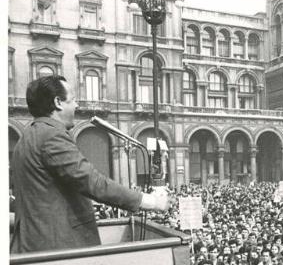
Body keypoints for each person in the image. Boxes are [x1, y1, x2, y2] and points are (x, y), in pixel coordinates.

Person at [11, 75, 170, 253]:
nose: (77, 106)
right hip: (58, 247)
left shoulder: (27, 137)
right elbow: (92, 182)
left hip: (36, 244)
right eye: (73, 100)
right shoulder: (51, 136)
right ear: (58, 102)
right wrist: (151, 201)